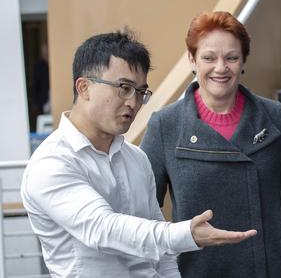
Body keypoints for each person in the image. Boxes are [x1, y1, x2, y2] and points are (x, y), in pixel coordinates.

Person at [21, 31, 257, 278]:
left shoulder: (136, 157)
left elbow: (161, 251)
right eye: (124, 88)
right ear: (84, 87)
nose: (133, 102)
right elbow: (103, 229)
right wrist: (185, 234)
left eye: (140, 92)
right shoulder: (51, 163)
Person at [140, 11, 281, 278]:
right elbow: (143, 212)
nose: (220, 68)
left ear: (243, 60)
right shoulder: (166, 125)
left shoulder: (274, 116)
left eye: (231, 57)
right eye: (209, 57)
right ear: (192, 60)